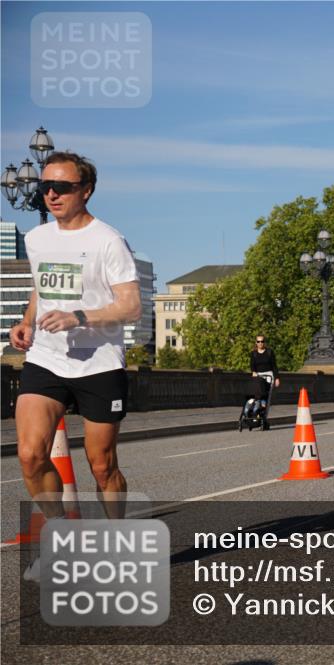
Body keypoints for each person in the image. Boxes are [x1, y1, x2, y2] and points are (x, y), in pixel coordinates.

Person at [12, 152, 141, 582]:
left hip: (99, 365)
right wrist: (28, 322)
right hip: (46, 359)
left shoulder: (108, 240)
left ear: (85, 190)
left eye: (62, 187)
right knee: (31, 455)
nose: (51, 193)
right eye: (44, 186)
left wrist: (80, 317)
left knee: (101, 465)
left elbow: (131, 305)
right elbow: (41, 286)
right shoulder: (38, 238)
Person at [250, 335, 281, 429]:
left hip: (269, 376)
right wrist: (254, 372)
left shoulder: (269, 352)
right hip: (259, 376)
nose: (260, 343)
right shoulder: (254, 353)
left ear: (265, 342)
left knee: (267, 399)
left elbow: (274, 366)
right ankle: (256, 415)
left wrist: (277, 378)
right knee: (259, 397)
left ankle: (264, 418)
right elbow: (252, 366)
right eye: (258, 341)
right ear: (256, 343)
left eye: (262, 341)